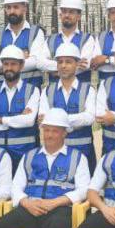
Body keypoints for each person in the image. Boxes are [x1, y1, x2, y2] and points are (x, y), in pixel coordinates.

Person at [42, 43, 98, 171]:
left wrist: (56, 119)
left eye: (68, 62)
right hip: (55, 152)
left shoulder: (88, 90)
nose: (63, 65)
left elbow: (89, 118)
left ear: (77, 64)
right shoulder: (47, 91)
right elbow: (44, 121)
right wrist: (76, 119)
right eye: (60, 62)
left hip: (84, 150)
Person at [0, 45, 41, 163]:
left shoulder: (32, 90)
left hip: (25, 152)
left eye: (13, 64)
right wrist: (18, 119)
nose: (9, 68)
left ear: (21, 66)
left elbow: (28, 121)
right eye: (6, 64)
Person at [0, 0, 50, 88]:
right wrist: (21, 58)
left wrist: (3, 62)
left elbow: (36, 62)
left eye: (16, 7)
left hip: (30, 91)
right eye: (8, 7)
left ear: (24, 8)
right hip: (4, 92)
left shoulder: (36, 33)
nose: (12, 11)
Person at [44, 0, 99, 85]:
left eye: (71, 12)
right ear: (60, 15)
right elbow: (40, 63)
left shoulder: (87, 39)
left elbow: (85, 65)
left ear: (79, 16)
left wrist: (54, 68)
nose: (67, 15)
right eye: (64, 11)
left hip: (82, 91)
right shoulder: (50, 40)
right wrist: (74, 65)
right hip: (55, 92)